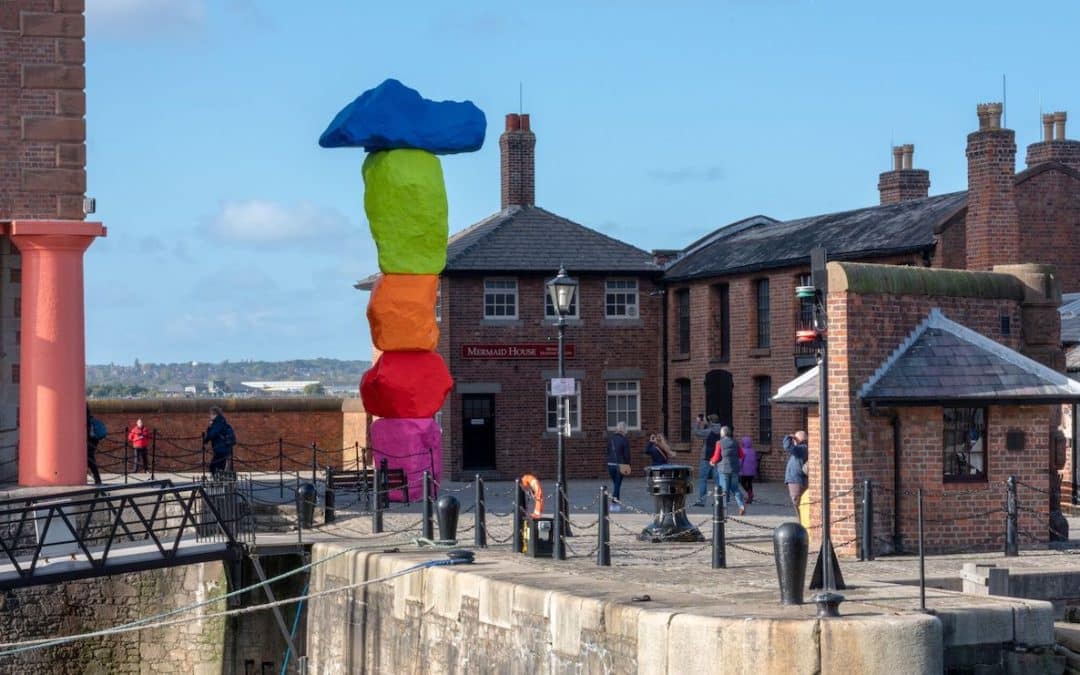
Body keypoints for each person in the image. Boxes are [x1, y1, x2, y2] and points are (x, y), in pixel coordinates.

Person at [709, 426, 746, 515]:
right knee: (735, 488)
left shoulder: (719, 443)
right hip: (734, 469)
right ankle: (741, 506)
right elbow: (741, 455)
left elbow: (717, 456)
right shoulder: (735, 442)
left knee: (724, 490)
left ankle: (724, 511)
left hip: (723, 469)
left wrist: (712, 461)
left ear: (723, 433)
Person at [692, 413, 724, 507]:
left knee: (703, 479)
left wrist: (698, 422)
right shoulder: (722, 431)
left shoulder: (708, 431)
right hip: (718, 458)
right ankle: (718, 501)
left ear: (710, 421)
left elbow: (696, 432)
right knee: (717, 480)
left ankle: (702, 500)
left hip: (706, 457)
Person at [605, 422, 631, 512]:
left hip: (610, 465)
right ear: (624, 430)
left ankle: (616, 503)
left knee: (616, 484)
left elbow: (607, 452)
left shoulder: (611, 439)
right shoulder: (624, 440)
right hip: (620, 465)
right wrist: (628, 464)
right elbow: (627, 455)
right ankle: (614, 504)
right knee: (617, 485)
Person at [783, 430, 810, 518]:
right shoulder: (802, 448)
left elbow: (787, 446)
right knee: (798, 503)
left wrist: (789, 436)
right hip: (795, 479)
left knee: (797, 503)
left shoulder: (802, 448)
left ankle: (802, 524)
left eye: (795, 439)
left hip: (796, 480)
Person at [204, 406, 236, 475]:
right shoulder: (222, 421)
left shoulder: (217, 423)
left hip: (221, 449)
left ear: (215, 414)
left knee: (214, 467)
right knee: (219, 467)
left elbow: (212, 434)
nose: (210, 416)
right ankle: (220, 482)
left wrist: (206, 438)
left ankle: (219, 483)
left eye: (211, 414)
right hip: (225, 449)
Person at [86, 405, 103, 485]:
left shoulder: (85, 420)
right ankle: (97, 479)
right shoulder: (91, 419)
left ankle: (97, 479)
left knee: (90, 460)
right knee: (90, 460)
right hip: (94, 441)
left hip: (89, 442)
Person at [738, 436, 757, 504]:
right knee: (749, 483)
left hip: (744, 471)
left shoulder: (742, 450)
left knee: (743, 483)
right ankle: (750, 497)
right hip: (752, 471)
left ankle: (750, 494)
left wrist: (739, 468)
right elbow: (755, 461)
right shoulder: (753, 451)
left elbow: (740, 461)